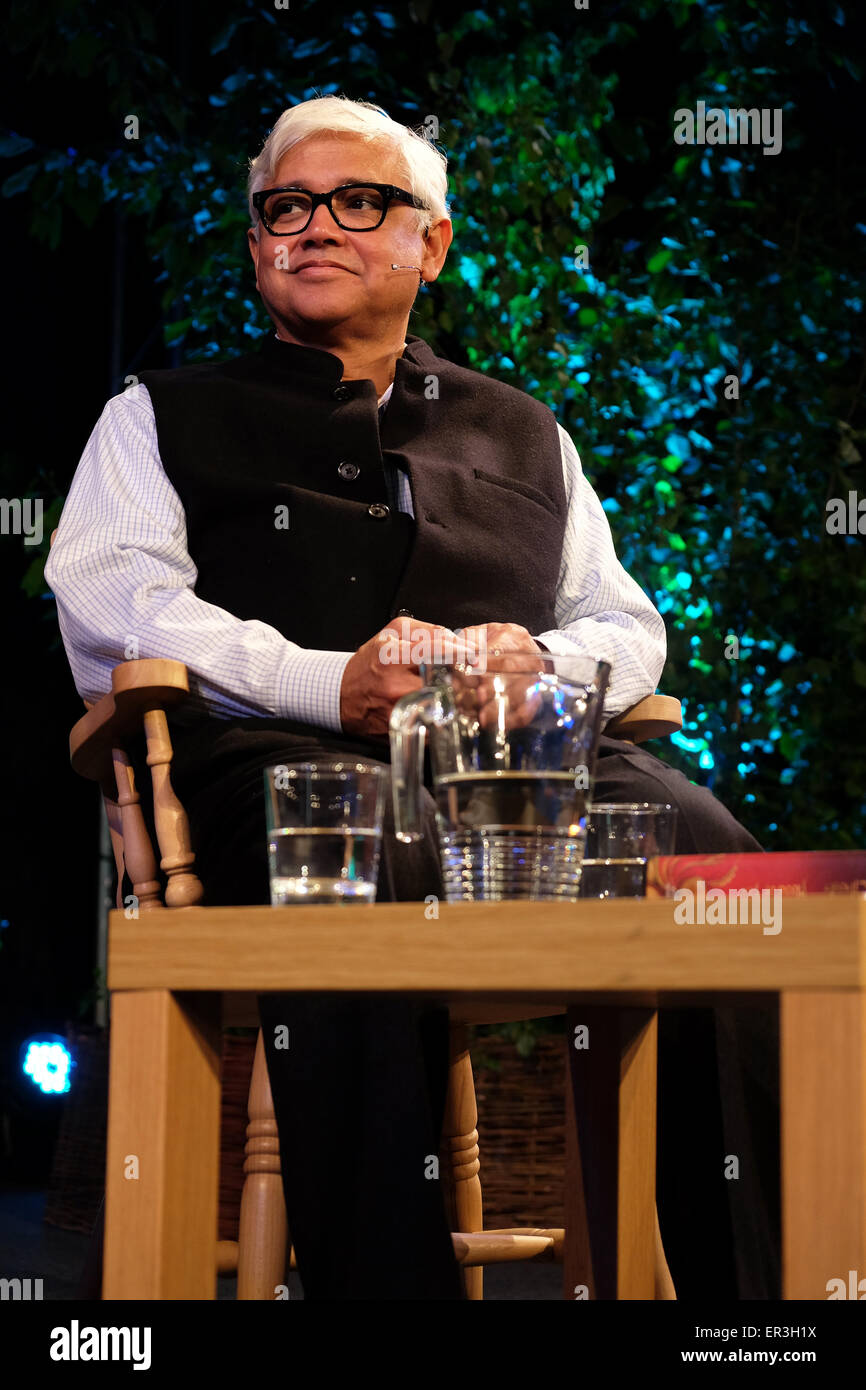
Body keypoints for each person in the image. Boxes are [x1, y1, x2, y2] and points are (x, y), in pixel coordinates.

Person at [45, 95, 775, 1300]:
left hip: (518, 784)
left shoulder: (524, 430)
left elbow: (627, 624)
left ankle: (743, 1314)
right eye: (286, 206)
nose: (314, 226)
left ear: (429, 244)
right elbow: (113, 610)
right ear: (257, 238)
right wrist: (327, 682)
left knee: (705, 860)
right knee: (359, 837)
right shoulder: (159, 415)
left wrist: (537, 671)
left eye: (358, 202)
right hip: (281, 778)